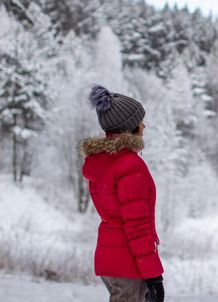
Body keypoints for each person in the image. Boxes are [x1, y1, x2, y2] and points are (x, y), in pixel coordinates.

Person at [80, 84, 164, 302]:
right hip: (128, 262)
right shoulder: (129, 164)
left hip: (110, 256)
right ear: (130, 127)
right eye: (140, 121)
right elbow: (136, 226)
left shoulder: (102, 161)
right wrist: (153, 274)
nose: (144, 126)